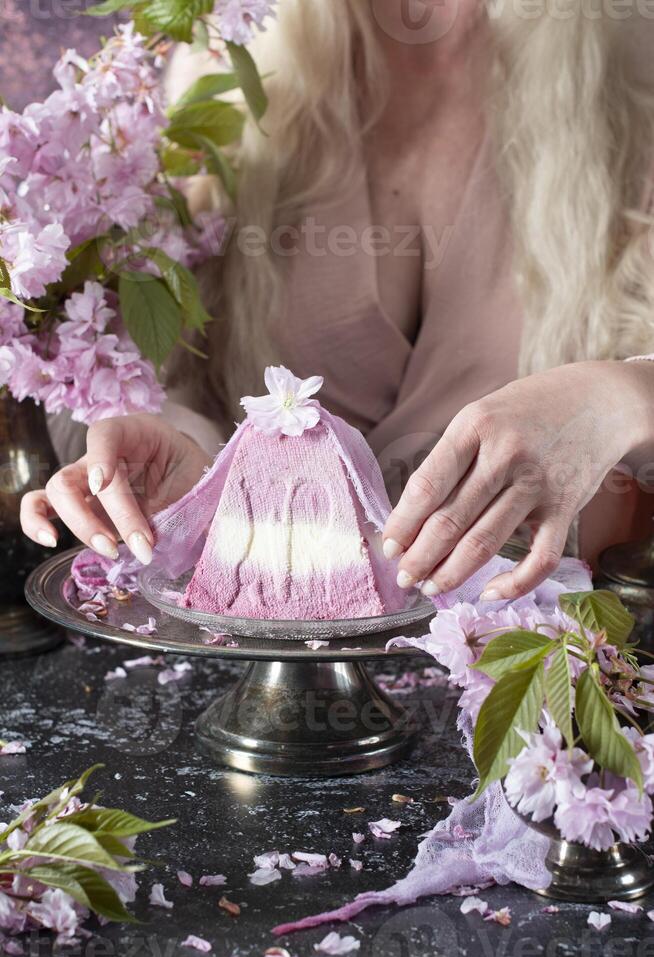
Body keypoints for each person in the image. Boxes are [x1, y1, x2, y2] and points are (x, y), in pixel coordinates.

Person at [20, 0, 654, 602]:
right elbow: (190, 374)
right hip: (263, 670)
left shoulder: (634, 62)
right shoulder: (228, 66)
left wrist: (624, 394)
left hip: (563, 678)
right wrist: (183, 462)